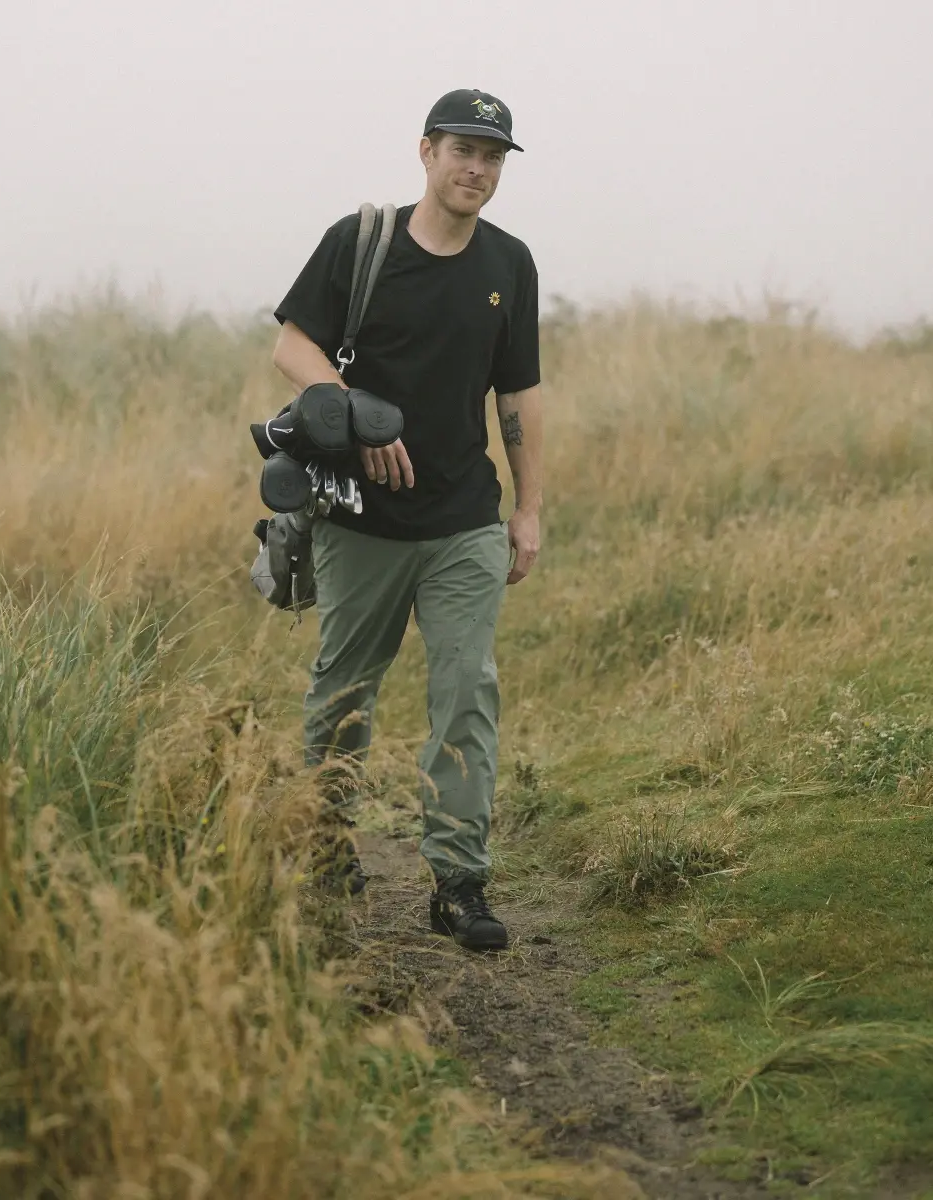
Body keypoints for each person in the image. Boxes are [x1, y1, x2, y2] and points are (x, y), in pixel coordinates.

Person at [270, 89, 543, 952]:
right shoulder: (361, 241)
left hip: (465, 518)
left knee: (467, 693)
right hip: (360, 520)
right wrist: (357, 416)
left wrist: (529, 508)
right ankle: (323, 847)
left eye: (493, 157)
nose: (477, 170)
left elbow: (519, 394)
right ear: (425, 151)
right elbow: (291, 345)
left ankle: (458, 881)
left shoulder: (510, 264)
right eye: (463, 150)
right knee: (344, 693)